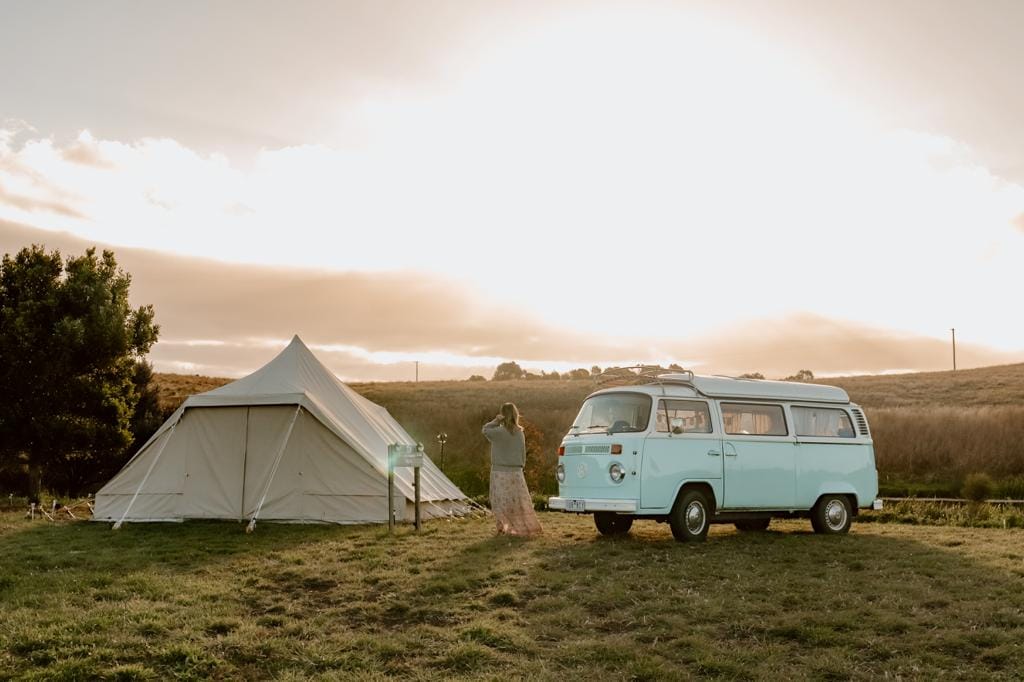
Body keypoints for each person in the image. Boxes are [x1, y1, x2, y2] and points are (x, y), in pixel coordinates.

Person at [482, 402, 543, 537]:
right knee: (518, 501)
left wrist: (496, 421)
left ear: (503, 415)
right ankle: (521, 526)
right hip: (516, 471)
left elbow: (485, 429)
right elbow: (522, 452)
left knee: (500, 501)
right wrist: (521, 466)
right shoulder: (520, 433)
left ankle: (503, 527)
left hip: (499, 471)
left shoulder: (498, 432)